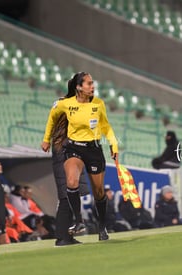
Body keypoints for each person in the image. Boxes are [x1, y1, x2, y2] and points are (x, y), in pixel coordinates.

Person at [41, 71, 119, 241]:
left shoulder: (98, 104)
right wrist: (46, 139)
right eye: (89, 83)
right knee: (71, 181)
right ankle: (79, 221)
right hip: (74, 148)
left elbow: (106, 126)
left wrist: (113, 144)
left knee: (98, 192)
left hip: (94, 150)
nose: (93, 86)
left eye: (92, 83)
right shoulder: (65, 104)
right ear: (79, 87)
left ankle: (102, 226)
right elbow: (52, 118)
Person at [49, 89, 90, 246]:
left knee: (70, 201)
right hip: (65, 169)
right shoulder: (62, 136)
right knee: (65, 201)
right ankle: (61, 237)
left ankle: (67, 235)